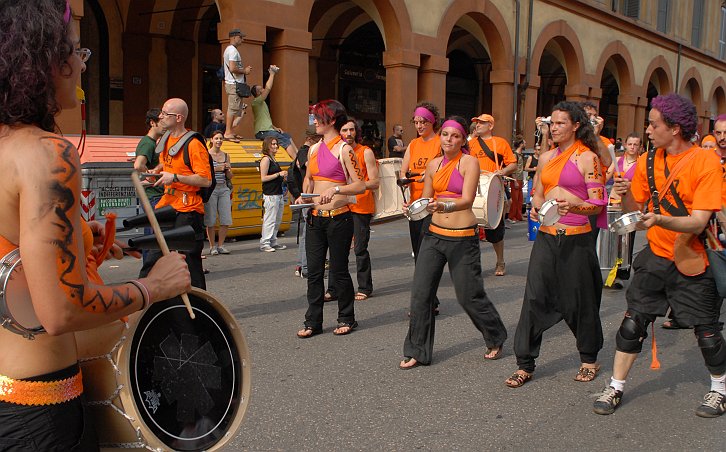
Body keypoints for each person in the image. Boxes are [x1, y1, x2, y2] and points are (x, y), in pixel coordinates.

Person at [0, 1, 190, 447]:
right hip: (39, 410)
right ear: (48, 62)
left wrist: (86, 240)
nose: (82, 65)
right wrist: (153, 288)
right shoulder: (47, 155)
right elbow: (61, 310)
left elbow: (18, 250)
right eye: (76, 51)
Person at [593, 94, 726, 418]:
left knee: (707, 332)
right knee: (631, 323)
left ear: (675, 128)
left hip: (692, 257)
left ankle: (719, 390)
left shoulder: (705, 161)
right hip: (655, 255)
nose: (648, 131)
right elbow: (637, 212)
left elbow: (697, 221)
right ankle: (616, 386)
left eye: (654, 124)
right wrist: (623, 198)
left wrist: (660, 219)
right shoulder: (649, 162)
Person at [505, 101, 606, 388]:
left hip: (577, 241)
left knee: (580, 302)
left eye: (561, 123)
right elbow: (537, 193)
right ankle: (525, 363)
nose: (555, 128)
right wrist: (536, 208)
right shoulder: (546, 157)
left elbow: (597, 203)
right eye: (553, 123)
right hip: (547, 237)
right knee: (534, 298)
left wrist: (574, 205)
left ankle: (589, 359)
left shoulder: (589, 158)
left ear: (576, 125)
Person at [400, 116, 508, 369]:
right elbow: (427, 201)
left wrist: (443, 203)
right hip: (434, 234)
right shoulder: (433, 164)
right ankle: (417, 350)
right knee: (421, 294)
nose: (449, 139)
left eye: (455, 136)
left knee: (469, 296)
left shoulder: (469, 162)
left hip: (462, 237)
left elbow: (468, 199)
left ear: (462, 140)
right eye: (446, 135)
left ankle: (495, 335)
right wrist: (413, 207)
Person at [295, 100, 365, 338]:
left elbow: (360, 185)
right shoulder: (314, 149)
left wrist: (335, 190)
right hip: (315, 218)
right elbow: (309, 179)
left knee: (339, 270)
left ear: (332, 120)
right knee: (313, 273)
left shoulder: (345, 149)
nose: (314, 121)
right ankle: (312, 321)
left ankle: (347, 317)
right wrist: (303, 196)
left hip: (339, 218)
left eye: (319, 117)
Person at [139, 98, 212, 290]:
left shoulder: (194, 144)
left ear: (178, 117)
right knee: (152, 258)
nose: (161, 117)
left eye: (165, 113)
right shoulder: (166, 139)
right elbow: (166, 164)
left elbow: (206, 180)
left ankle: (200, 309)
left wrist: (175, 177)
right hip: (167, 205)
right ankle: (142, 305)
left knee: (190, 264)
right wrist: (155, 174)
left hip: (188, 210)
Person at [326, 119, 379, 301]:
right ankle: (333, 289)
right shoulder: (335, 151)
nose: (348, 134)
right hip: (340, 205)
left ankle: (365, 287)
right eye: (344, 130)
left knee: (359, 249)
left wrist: (354, 186)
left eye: (351, 130)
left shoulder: (365, 152)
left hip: (361, 206)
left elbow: (375, 182)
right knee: (336, 249)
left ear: (356, 132)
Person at [401, 102, 443, 313]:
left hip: (433, 205)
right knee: (419, 255)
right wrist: (405, 182)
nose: (418, 125)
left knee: (428, 255)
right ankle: (430, 300)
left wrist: (425, 177)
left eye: (423, 122)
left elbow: (441, 171)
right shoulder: (413, 144)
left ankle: (424, 302)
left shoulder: (439, 143)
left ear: (432, 121)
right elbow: (403, 172)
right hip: (415, 206)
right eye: (416, 122)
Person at [469, 113, 517, 276]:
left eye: (481, 123)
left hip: (493, 189)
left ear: (490, 126)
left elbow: (513, 164)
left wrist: (501, 171)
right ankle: (473, 265)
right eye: (477, 123)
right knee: (471, 229)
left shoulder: (500, 143)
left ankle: (500, 261)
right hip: (474, 188)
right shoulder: (471, 144)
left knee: (495, 231)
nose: (478, 125)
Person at [133, 108, 165, 262]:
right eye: (161, 120)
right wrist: (151, 175)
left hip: (155, 196)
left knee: (154, 235)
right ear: (152, 123)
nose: (164, 124)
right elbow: (138, 165)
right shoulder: (148, 143)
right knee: (153, 235)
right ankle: (149, 270)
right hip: (153, 196)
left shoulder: (153, 143)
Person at [250, 65, 298, 158]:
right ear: (258, 93)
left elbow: (265, 119)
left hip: (268, 129)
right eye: (261, 89)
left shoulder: (262, 103)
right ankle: (297, 161)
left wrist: (275, 127)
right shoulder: (257, 102)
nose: (263, 90)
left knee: (287, 136)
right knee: (285, 141)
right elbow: (268, 88)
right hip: (263, 131)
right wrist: (272, 74)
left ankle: (298, 155)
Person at [205, 130, 233, 255]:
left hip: (224, 188)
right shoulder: (206, 154)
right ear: (211, 140)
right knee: (210, 218)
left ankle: (221, 245)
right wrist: (216, 168)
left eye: (221, 138)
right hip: (211, 189)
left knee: (225, 218)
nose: (219, 141)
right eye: (216, 138)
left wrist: (227, 169)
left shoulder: (226, 155)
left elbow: (230, 176)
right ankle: (212, 246)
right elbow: (204, 172)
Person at [259, 136, 288, 252]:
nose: (276, 146)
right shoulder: (266, 159)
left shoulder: (273, 159)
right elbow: (263, 178)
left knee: (277, 219)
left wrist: (283, 178)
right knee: (270, 219)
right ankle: (265, 242)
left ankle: (273, 241)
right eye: (273, 144)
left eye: (276, 144)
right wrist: (278, 174)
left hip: (278, 193)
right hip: (270, 194)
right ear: (267, 146)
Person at [223, 28, 251, 142]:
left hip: (234, 83)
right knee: (233, 108)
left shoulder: (230, 50)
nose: (242, 40)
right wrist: (245, 71)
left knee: (236, 108)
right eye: (240, 37)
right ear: (234, 37)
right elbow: (233, 68)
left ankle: (231, 131)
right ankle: (228, 132)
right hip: (234, 83)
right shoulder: (232, 51)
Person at [508, 135, 526, 222]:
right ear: (521, 144)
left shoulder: (520, 155)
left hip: (520, 178)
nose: (525, 143)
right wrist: (514, 180)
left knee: (520, 199)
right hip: (516, 179)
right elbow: (513, 169)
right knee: (515, 199)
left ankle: (519, 215)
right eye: (524, 142)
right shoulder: (515, 155)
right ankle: (512, 216)